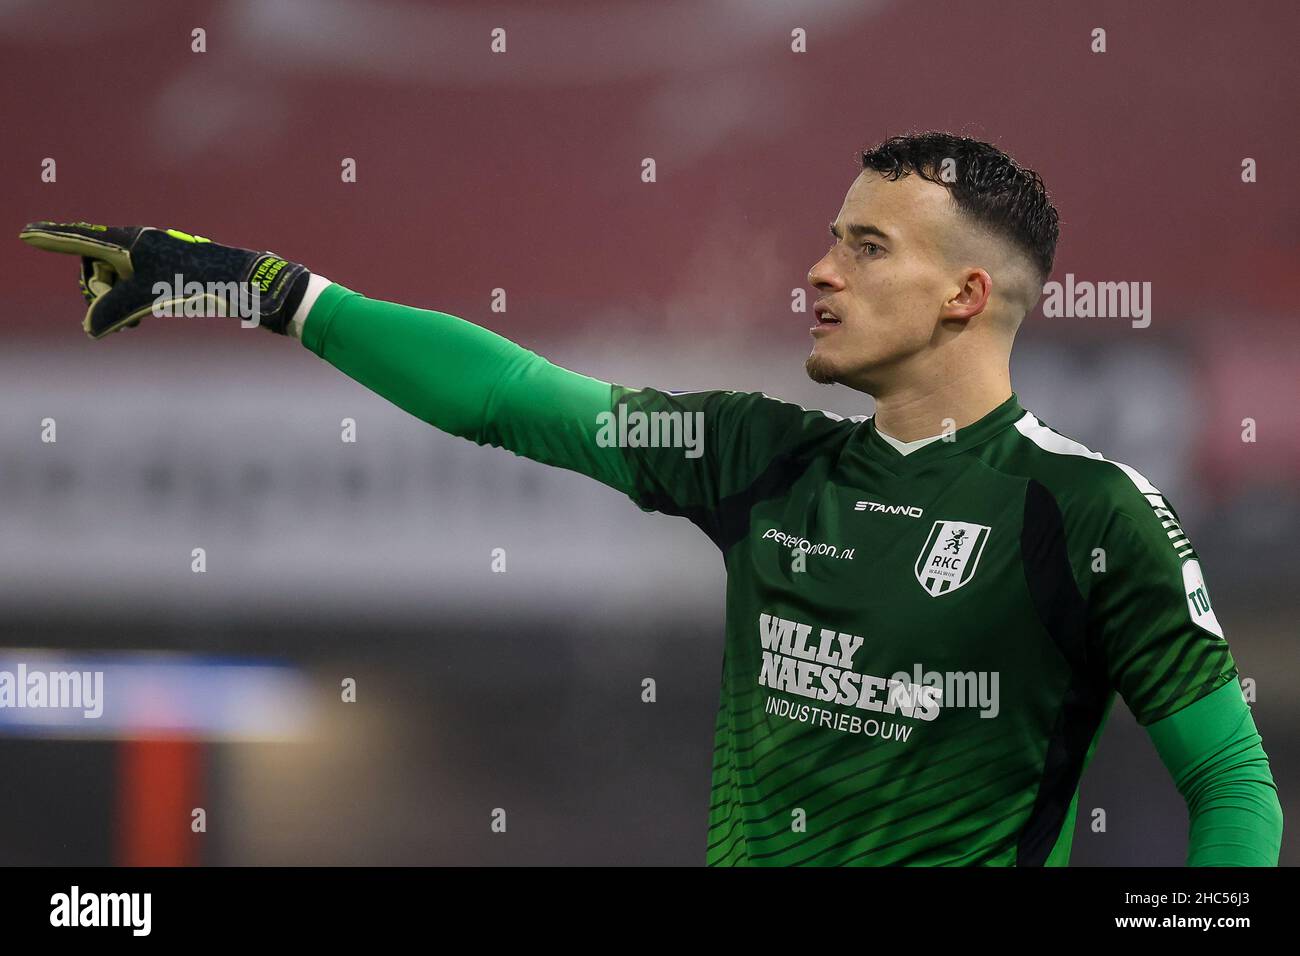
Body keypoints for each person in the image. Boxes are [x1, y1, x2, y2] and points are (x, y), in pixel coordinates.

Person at [20, 131, 1282, 866]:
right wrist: (260, 285)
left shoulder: (1087, 510)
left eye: (865, 245)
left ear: (964, 295)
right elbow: (515, 395)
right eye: (829, 236)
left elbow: (1232, 785)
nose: (818, 269)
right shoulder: (760, 457)